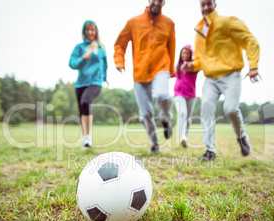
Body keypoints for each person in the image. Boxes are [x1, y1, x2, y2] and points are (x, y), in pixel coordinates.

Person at [182, 0, 261, 161]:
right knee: (206, 108)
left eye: (208, 4)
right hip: (210, 78)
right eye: (202, 5)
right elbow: (200, 59)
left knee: (230, 109)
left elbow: (249, 40)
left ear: (215, 4)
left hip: (231, 74)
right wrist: (192, 65)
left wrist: (253, 66)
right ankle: (210, 151)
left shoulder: (228, 22)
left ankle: (242, 138)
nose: (205, 8)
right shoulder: (199, 31)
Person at [114, 0, 175, 154]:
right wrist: (120, 61)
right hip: (140, 73)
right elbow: (120, 44)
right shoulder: (133, 22)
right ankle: (155, 144)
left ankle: (166, 118)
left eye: (160, 0)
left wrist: (170, 69)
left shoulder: (169, 23)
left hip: (161, 67)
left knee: (162, 95)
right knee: (145, 115)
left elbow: (172, 47)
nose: (157, 2)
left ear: (164, 3)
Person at [69, 20, 108, 149]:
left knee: (85, 102)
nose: (90, 32)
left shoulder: (101, 47)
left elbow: (105, 65)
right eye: (88, 30)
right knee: (82, 109)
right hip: (81, 83)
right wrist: (82, 58)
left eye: (93, 29)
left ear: (96, 31)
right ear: (84, 32)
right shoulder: (79, 48)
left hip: (96, 82)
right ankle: (85, 139)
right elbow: (72, 64)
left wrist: (105, 78)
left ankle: (89, 136)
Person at [173, 45, 199, 148]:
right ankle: (182, 136)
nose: (185, 55)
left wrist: (191, 64)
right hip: (178, 94)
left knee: (188, 119)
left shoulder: (193, 67)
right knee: (182, 114)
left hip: (191, 95)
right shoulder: (177, 67)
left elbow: (200, 63)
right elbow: (168, 74)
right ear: (180, 54)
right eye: (184, 53)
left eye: (188, 53)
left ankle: (185, 137)